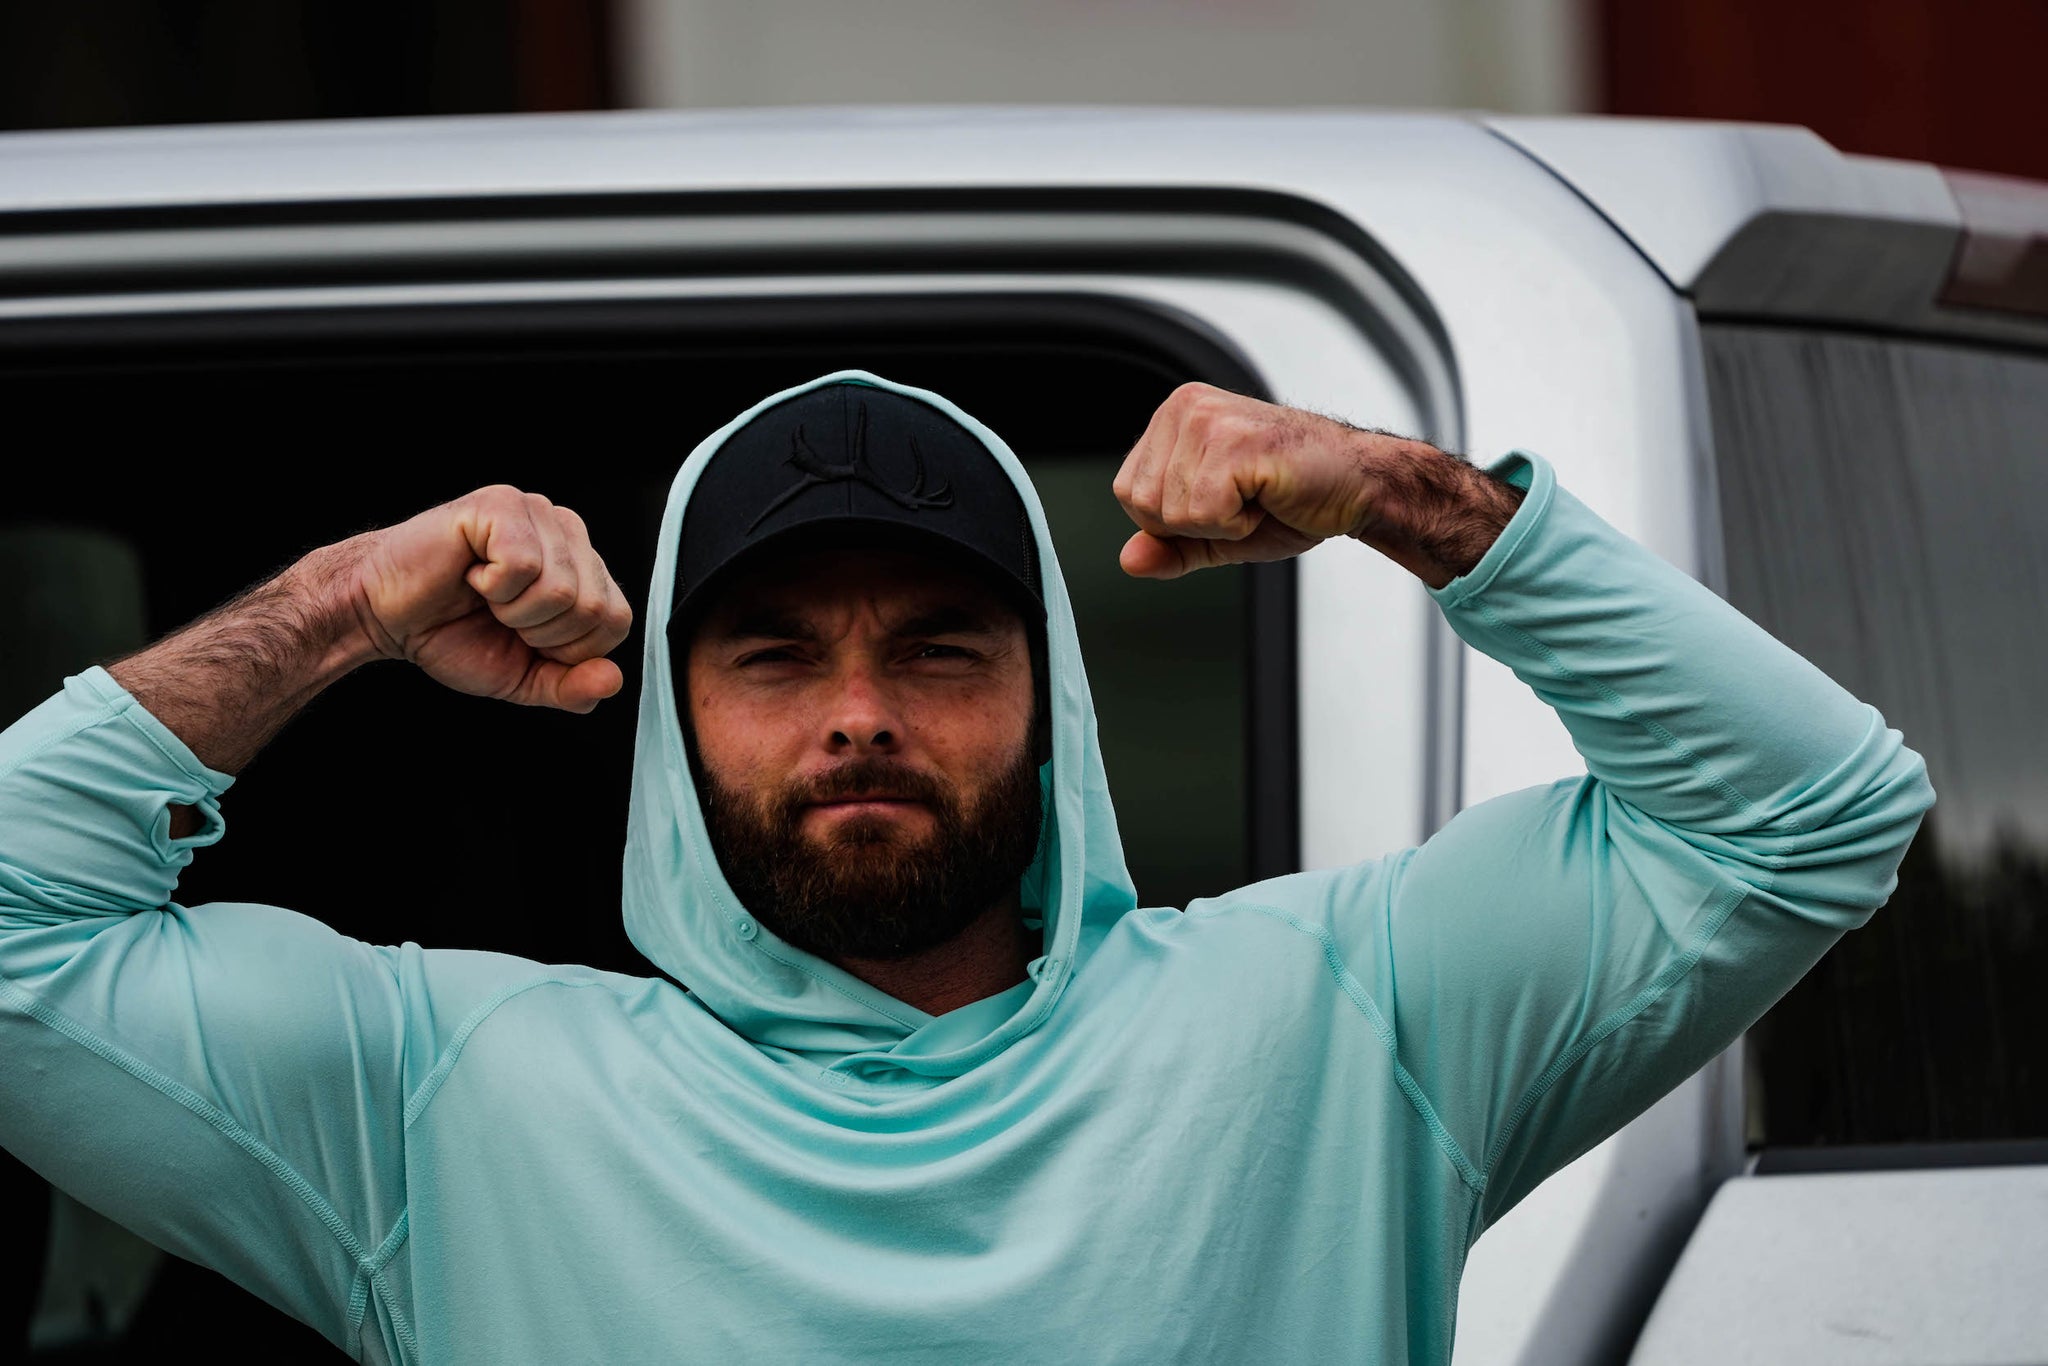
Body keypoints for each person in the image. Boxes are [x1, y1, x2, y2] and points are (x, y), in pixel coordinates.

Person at [0, 370, 1931, 1364]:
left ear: (1050, 700)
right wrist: (347, 598)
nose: (860, 715)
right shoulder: (453, 1098)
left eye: (939, 648)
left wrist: (1406, 493)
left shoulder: (1343, 1020)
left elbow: (1813, 810)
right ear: (675, 725)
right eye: (775, 655)